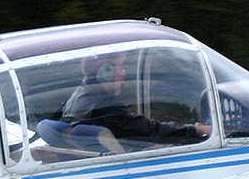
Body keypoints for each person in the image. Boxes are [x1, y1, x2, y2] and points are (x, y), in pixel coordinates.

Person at [60, 53, 210, 151]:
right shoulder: (105, 107)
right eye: (120, 67)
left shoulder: (78, 97)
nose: (124, 73)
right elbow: (151, 131)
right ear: (106, 72)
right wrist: (198, 130)